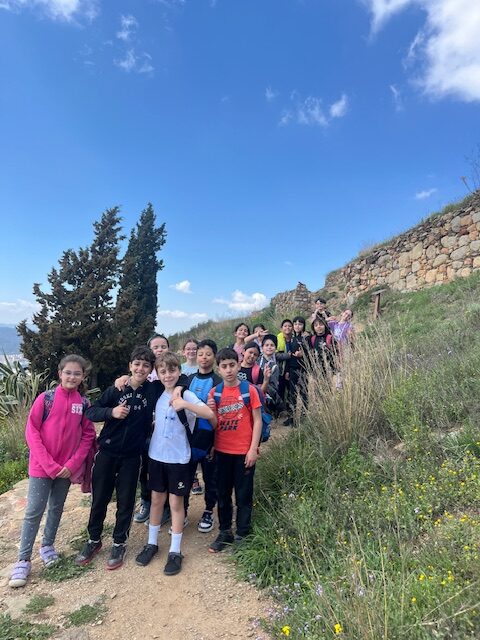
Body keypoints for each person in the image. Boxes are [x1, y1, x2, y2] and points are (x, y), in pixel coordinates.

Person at [75, 346, 188, 570]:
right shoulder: (117, 389)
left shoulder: (154, 389)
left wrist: (179, 388)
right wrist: (111, 412)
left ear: (151, 370)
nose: (140, 369)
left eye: (146, 365)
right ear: (130, 365)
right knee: (100, 499)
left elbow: (180, 377)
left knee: (126, 500)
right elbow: (91, 411)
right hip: (107, 452)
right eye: (137, 364)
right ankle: (93, 540)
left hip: (132, 455)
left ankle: (119, 543)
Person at [9, 355, 96, 588]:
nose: (72, 377)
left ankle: (47, 546)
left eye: (77, 374)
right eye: (68, 372)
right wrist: (49, 465)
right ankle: (23, 560)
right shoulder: (45, 399)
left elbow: (88, 435)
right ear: (60, 373)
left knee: (56, 508)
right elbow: (32, 432)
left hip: (66, 469)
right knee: (34, 511)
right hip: (41, 467)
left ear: (83, 377)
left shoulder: (83, 403)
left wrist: (73, 464)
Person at [135, 351, 215, 575]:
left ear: (179, 371)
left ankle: (175, 550)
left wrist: (185, 404)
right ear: (157, 374)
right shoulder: (157, 393)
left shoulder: (186, 394)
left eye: (172, 370)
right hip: (156, 456)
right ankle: (151, 543)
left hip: (179, 458)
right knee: (156, 500)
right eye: (163, 371)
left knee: (176, 504)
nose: (167, 375)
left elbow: (208, 412)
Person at [207, 348, 262, 553]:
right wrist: (210, 410)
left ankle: (242, 533)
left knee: (243, 494)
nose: (229, 370)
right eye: (224, 366)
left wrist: (253, 449)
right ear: (218, 369)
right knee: (222, 494)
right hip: (222, 452)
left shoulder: (250, 390)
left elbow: (257, 421)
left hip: (243, 453)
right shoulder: (215, 393)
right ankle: (225, 532)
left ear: (238, 365)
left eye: (232, 365)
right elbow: (214, 424)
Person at [185, 339, 222, 533]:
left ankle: (208, 510)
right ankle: (182, 511)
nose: (204, 358)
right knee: (186, 475)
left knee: (210, 477)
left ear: (214, 357)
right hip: (189, 437)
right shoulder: (188, 379)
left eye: (208, 354)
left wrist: (217, 443)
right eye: (200, 354)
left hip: (209, 438)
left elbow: (221, 415)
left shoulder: (218, 382)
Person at [134, 333, 171, 524]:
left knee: (164, 469)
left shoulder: (171, 372)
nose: (159, 350)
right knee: (145, 469)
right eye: (155, 347)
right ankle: (146, 501)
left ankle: (166, 507)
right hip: (145, 431)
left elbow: (182, 382)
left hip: (167, 431)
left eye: (163, 346)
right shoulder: (144, 373)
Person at [277, 319, 304, 426]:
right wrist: (288, 370)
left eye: (299, 324)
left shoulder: (305, 337)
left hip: (302, 369)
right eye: (295, 324)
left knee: (303, 393)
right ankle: (291, 417)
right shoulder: (288, 339)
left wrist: (303, 353)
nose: (297, 326)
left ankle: (303, 417)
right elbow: (289, 356)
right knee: (291, 394)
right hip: (290, 369)